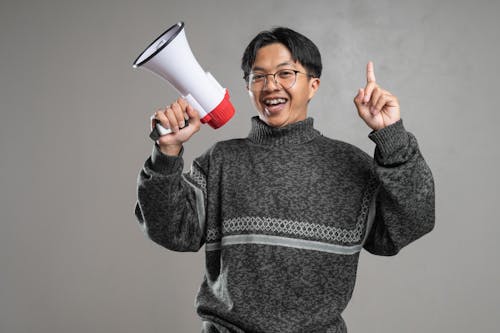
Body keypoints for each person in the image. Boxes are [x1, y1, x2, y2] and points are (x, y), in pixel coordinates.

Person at [135, 27, 435, 333]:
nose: (271, 85)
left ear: (313, 85)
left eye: (285, 73)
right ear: (247, 87)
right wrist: (167, 152)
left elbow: (412, 222)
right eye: (259, 76)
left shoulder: (351, 165)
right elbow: (169, 230)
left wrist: (392, 136)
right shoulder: (221, 161)